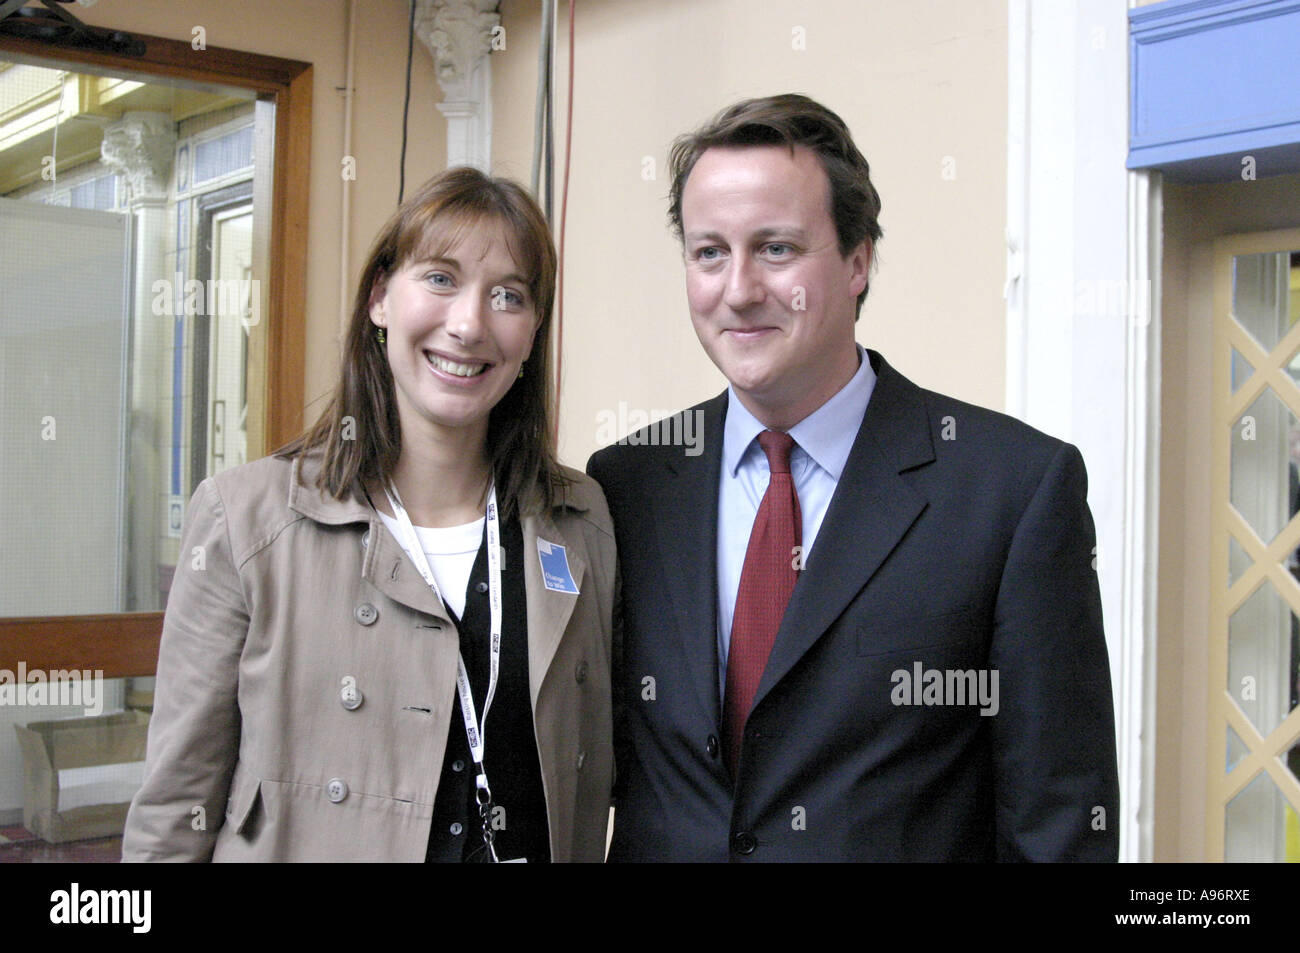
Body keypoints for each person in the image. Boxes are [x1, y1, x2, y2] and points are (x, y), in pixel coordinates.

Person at [587, 94, 1119, 861]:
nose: (738, 289)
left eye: (775, 248)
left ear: (859, 260)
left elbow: (1059, 823)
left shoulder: (1012, 490)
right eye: (709, 252)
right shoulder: (628, 484)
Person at [123, 167, 616, 862]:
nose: (470, 323)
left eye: (508, 295)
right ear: (381, 297)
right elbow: (176, 808)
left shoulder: (581, 519)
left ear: (533, 333)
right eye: (440, 279)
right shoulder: (246, 519)